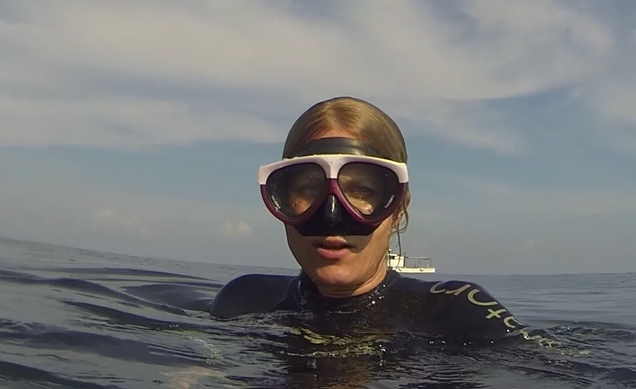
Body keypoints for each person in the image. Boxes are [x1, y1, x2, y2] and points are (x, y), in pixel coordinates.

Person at [211, 96, 557, 350]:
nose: (332, 215)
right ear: (281, 200)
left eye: (362, 191)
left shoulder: (459, 314)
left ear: (397, 207)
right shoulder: (243, 301)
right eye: (308, 188)